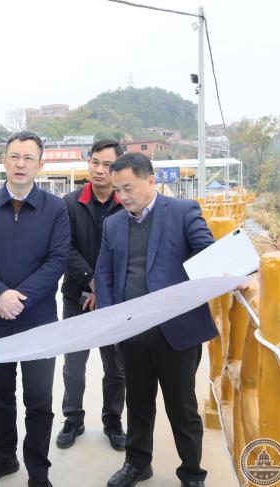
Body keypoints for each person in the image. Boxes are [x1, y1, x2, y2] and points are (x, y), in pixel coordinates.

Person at [95, 153, 215, 487]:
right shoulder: (113, 224)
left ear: (151, 181)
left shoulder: (182, 211)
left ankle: (192, 472)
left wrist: (233, 274)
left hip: (175, 332)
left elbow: (207, 253)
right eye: (117, 190)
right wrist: (111, 322)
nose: (122, 197)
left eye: (128, 188)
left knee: (182, 408)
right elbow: (104, 273)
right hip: (132, 331)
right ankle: (137, 464)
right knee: (138, 404)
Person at [0, 131, 69, 487]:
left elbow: (57, 260)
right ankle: (4, 457)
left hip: (38, 320)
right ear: (4, 161)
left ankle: (38, 470)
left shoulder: (55, 208)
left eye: (28, 158)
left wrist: (18, 298)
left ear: (40, 164)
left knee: (39, 399)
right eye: (14, 156)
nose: (20, 164)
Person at [56, 139, 126, 452]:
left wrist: (104, 287)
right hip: (77, 295)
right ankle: (73, 419)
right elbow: (64, 248)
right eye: (95, 162)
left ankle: (113, 421)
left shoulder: (125, 203)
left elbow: (127, 251)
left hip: (115, 300)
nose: (99, 170)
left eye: (107, 165)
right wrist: (91, 280)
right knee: (74, 364)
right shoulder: (69, 203)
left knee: (117, 367)